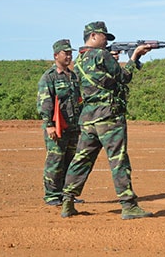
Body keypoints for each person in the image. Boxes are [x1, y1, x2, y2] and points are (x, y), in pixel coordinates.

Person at [60, 21, 154, 220]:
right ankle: (128, 205)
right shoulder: (101, 55)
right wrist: (134, 57)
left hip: (88, 118)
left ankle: (67, 201)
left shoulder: (78, 60)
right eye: (104, 37)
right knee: (118, 160)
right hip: (108, 116)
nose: (106, 41)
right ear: (93, 36)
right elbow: (124, 77)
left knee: (81, 159)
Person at [37, 39, 84, 206]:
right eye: (66, 53)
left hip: (73, 127)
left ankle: (67, 195)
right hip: (57, 126)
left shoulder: (73, 76)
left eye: (71, 53)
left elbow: (79, 100)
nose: (69, 56)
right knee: (55, 161)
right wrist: (48, 124)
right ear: (56, 55)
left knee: (70, 161)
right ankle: (51, 195)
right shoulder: (49, 77)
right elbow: (45, 102)